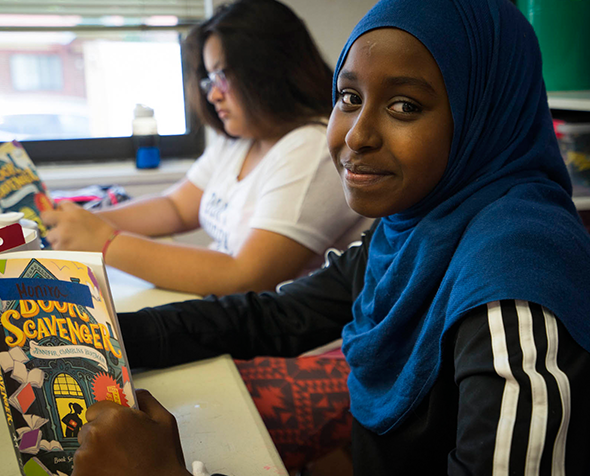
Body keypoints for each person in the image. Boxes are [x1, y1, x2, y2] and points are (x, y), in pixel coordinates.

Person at [71, 0, 590, 475]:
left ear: (485, 113)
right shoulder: (416, 225)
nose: (356, 135)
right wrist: (107, 336)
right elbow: (274, 316)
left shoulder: (513, 278)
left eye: (405, 105)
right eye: (349, 97)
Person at [41, 0, 370, 298]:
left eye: (222, 77)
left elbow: (245, 277)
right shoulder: (242, 139)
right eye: (209, 80)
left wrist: (105, 242)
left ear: (267, 71)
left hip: (288, 343)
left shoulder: (312, 148)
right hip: (227, 315)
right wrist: (84, 223)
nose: (213, 95)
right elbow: (175, 207)